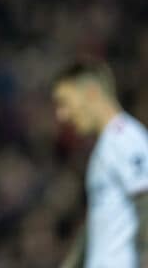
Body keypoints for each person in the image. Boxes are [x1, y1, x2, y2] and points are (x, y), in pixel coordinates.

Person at [52, 59, 148, 268]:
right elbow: (98, 223)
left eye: (65, 102)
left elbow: (146, 199)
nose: (62, 115)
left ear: (92, 93)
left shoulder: (125, 137)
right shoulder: (104, 148)